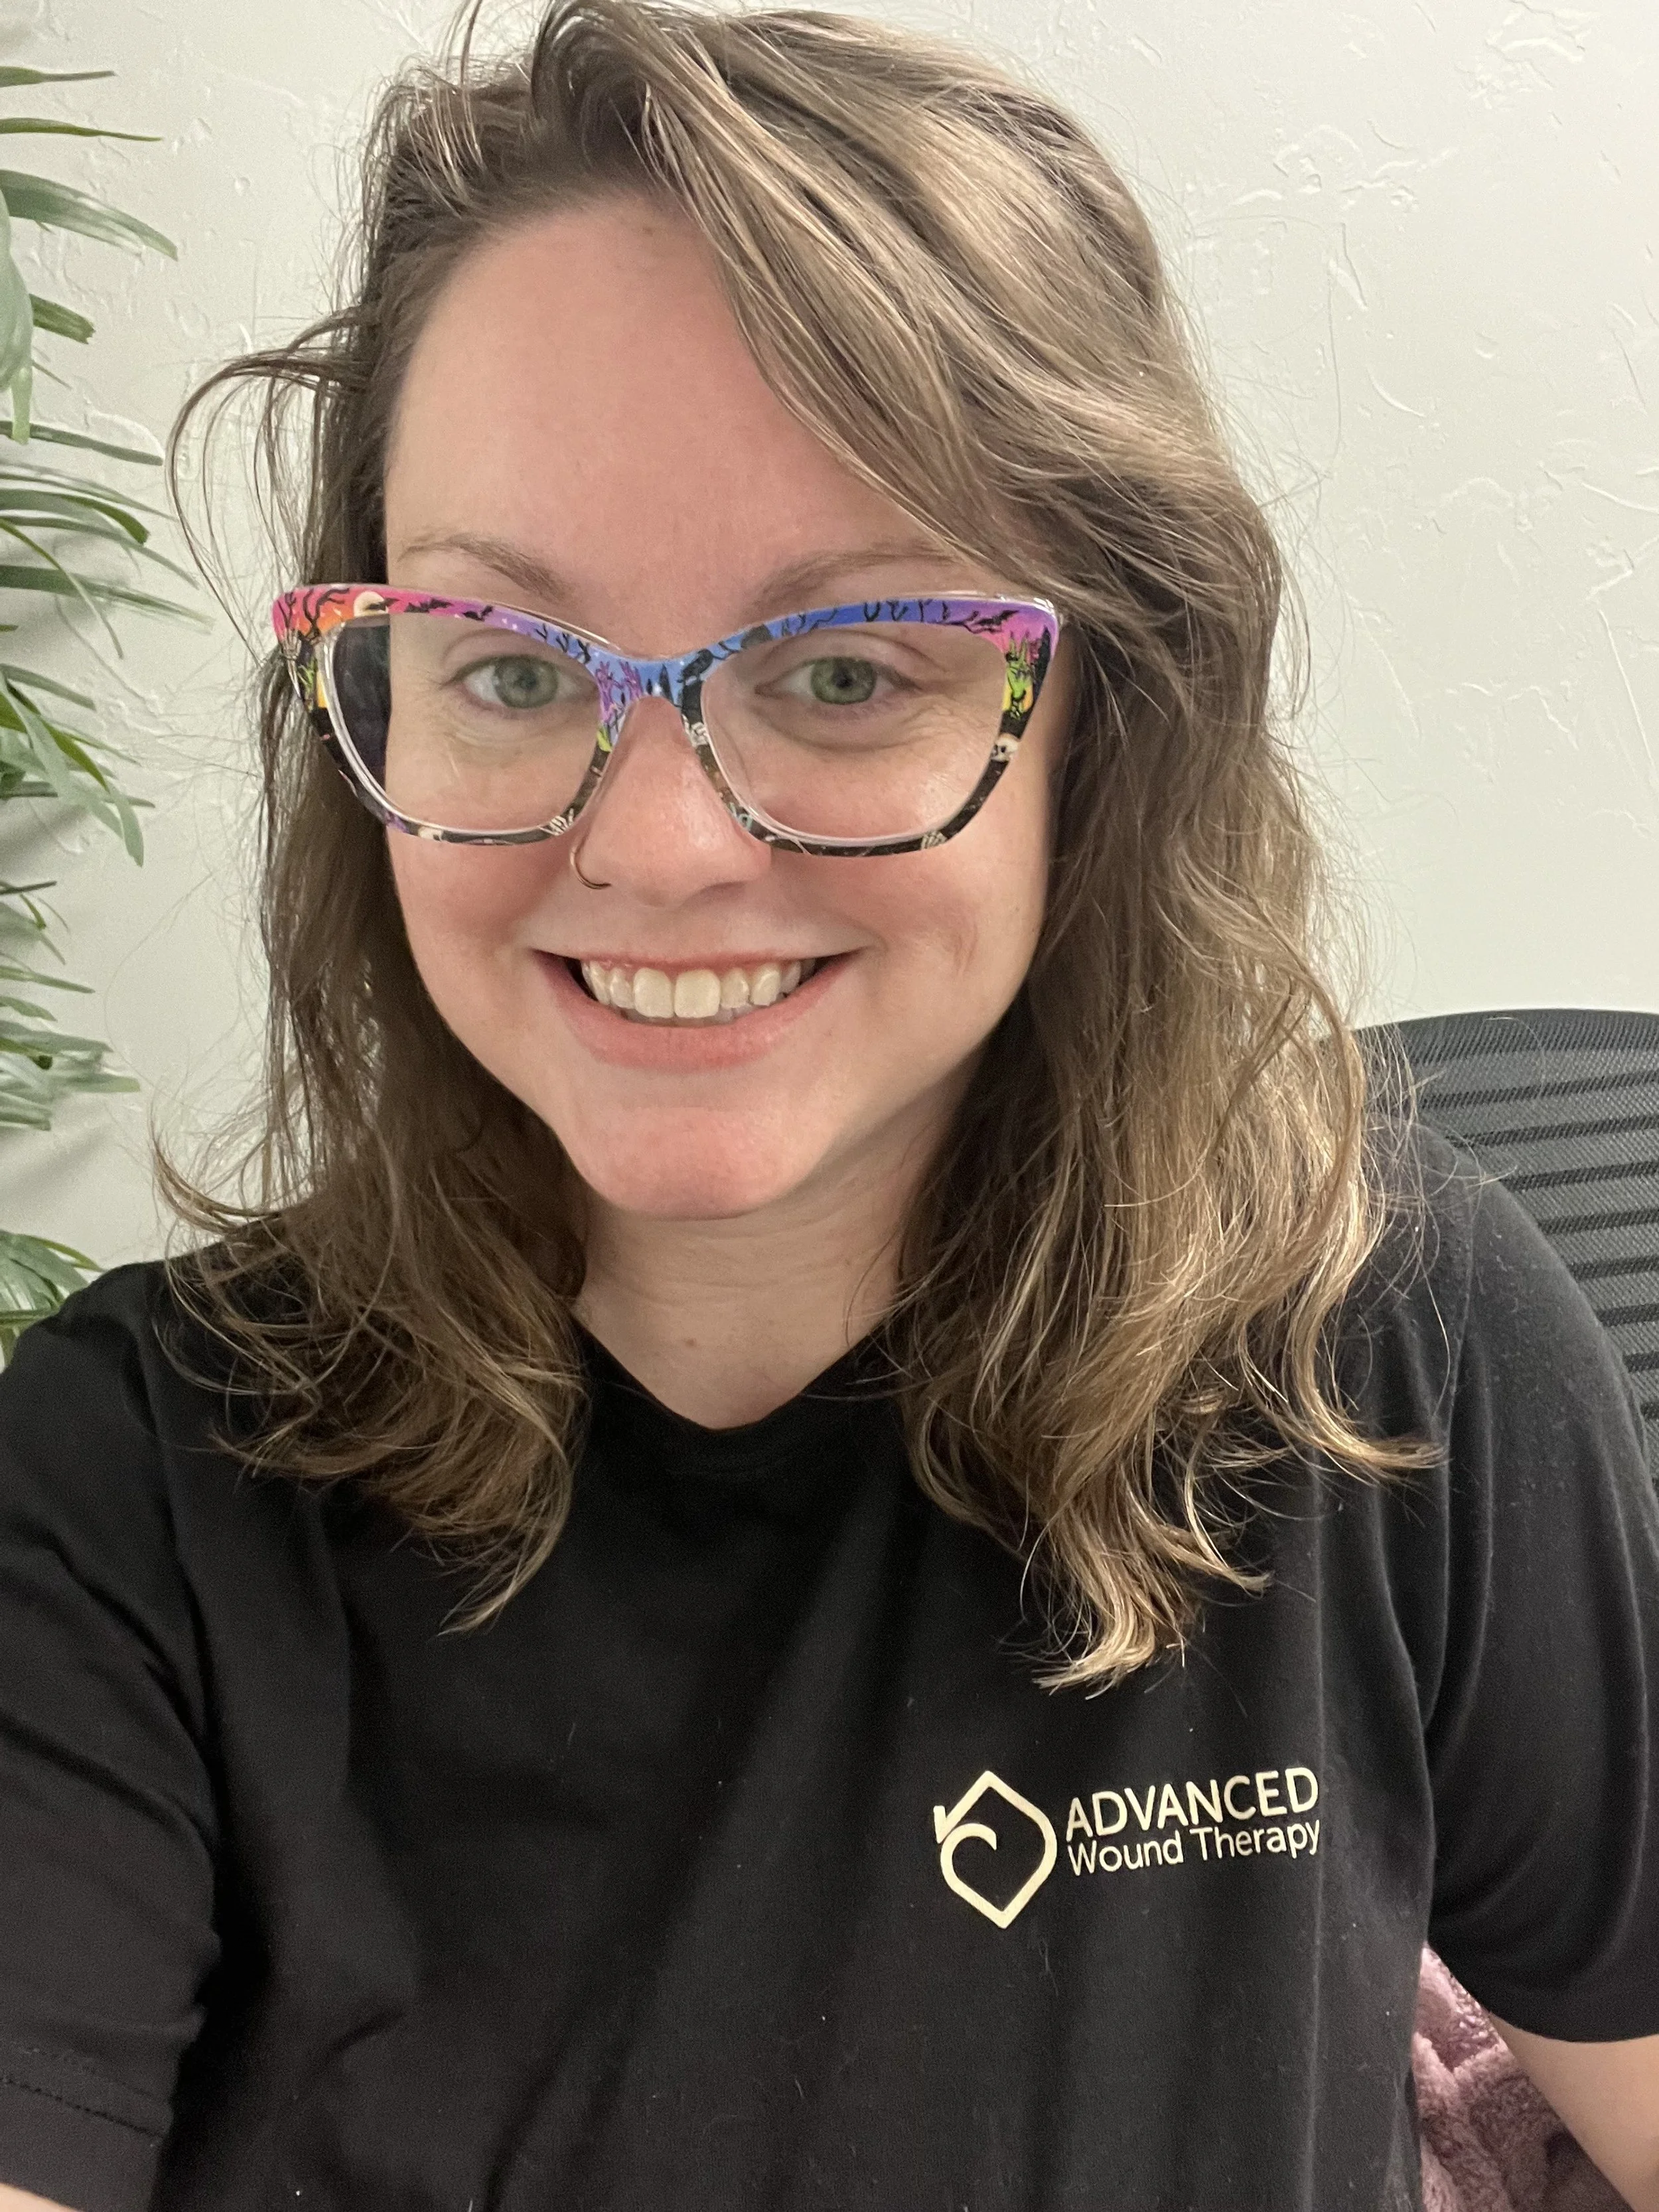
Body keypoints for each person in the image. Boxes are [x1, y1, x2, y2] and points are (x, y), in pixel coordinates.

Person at [1, 1, 1656, 2207]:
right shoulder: (128, 1496)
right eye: (506, 665)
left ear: (1104, 724)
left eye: (853, 664)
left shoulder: (1393, 1344)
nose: (663, 842)